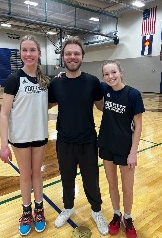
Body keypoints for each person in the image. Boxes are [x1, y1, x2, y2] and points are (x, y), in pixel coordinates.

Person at [48, 36, 108, 235]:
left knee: (91, 179)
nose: (72, 57)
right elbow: (45, 105)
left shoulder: (92, 82)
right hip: (64, 141)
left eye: (76, 53)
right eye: (68, 54)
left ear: (82, 56)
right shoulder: (56, 84)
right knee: (67, 178)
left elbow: (101, 107)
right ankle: (68, 207)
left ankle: (96, 211)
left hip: (88, 141)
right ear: (63, 57)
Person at [0, 35, 50, 236]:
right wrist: (4, 145)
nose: (28, 54)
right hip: (20, 138)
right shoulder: (14, 79)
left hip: (39, 135)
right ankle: (26, 212)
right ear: (20, 53)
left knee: (37, 173)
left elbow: (47, 103)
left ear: (39, 53)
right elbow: (4, 113)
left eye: (32, 50)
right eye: (24, 50)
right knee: (25, 175)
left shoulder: (45, 81)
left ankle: (39, 210)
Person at [97, 60, 145, 238]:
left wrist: (133, 152)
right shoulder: (105, 89)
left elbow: (138, 126)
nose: (111, 77)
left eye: (114, 72)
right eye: (107, 74)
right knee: (112, 185)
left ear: (121, 72)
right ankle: (116, 214)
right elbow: (83, 81)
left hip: (125, 149)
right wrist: (63, 75)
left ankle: (128, 217)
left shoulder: (133, 94)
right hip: (107, 145)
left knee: (128, 188)